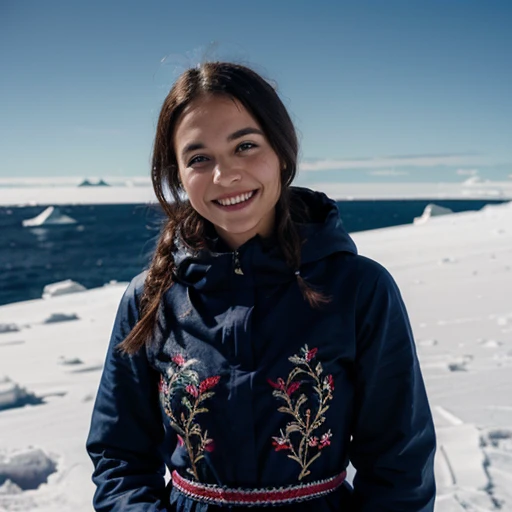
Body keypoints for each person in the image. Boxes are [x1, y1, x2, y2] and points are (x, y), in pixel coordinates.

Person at [86, 61, 436, 511]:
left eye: (245, 146)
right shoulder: (150, 298)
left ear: (282, 151)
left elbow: (400, 465)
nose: (224, 175)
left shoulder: (360, 289)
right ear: (177, 174)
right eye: (198, 158)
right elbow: (119, 457)